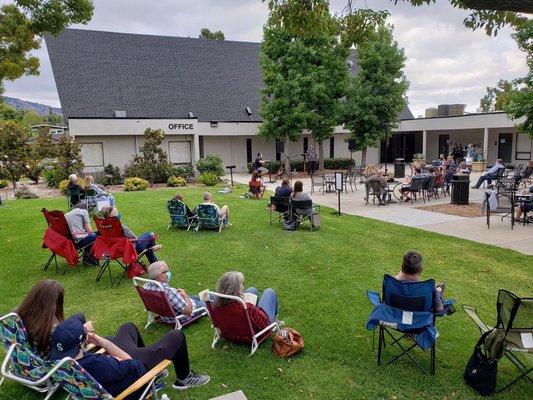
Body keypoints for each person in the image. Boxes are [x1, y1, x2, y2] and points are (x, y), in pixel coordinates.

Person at [50, 317, 210, 394]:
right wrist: (101, 342)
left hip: (116, 371)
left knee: (128, 327)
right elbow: (130, 361)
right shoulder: (99, 364)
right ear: (81, 343)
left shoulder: (62, 364)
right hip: (138, 373)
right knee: (176, 336)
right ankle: (183, 378)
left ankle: (154, 372)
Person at [16, 279, 90, 357]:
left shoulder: (17, 316)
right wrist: (84, 333)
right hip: (56, 358)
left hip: (33, 355)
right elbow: (66, 347)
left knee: (79, 317)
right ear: (55, 304)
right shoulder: (49, 329)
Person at [213, 271, 278, 343]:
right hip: (251, 337)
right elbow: (265, 324)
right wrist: (257, 310)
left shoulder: (215, 305)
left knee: (251, 290)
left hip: (229, 335)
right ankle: (275, 320)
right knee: (269, 292)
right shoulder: (248, 309)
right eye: (242, 284)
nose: (243, 287)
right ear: (237, 289)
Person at [65, 202, 98, 266]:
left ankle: (87, 258)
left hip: (69, 241)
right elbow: (89, 230)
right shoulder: (83, 211)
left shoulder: (66, 214)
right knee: (95, 236)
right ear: (85, 208)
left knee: (93, 235)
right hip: (79, 240)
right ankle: (89, 259)